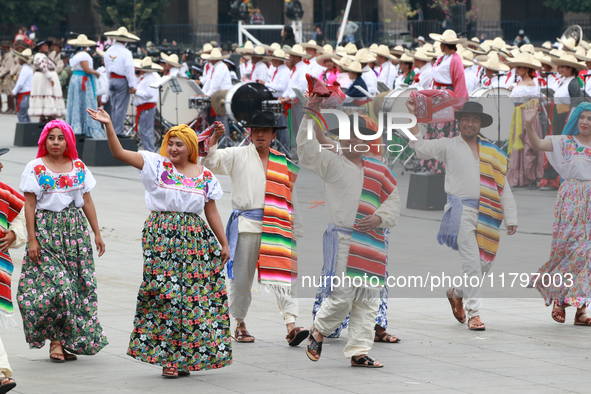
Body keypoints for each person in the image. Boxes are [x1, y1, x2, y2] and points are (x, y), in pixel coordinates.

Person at [87, 108, 232, 377]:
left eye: (179, 144)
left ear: (190, 147)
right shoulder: (156, 164)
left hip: (194, 240)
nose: (174, 148)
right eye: (171, 143)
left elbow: (211, 210)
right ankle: (168, 357)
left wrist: (223, 242)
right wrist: (109, 125)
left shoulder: (205, 175)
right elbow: (119, 153)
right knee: (165, 296)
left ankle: (185, 357)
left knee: (192, 299)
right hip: (161, 236)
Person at [297, 110, 400, 368]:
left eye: (357, 136)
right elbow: (307, 150)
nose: (350, 140)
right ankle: (318, 330)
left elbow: (393, 202)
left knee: (368, 298)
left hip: (373, 242)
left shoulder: (379, 170)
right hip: (343, 240)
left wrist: (379, 219)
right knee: (342, 294)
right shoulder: (332, 163)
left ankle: (358, 351)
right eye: (346, 135)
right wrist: (309, 116)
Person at [407, 99, 518, 330]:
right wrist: (412, 116)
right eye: (466, 119)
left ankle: (456, 293)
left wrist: (511, 216)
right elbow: (420, 148)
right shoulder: (449, 145)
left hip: (489, 212)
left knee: (483, 263)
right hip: (460, 211)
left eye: (474, 120)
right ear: (459, 122)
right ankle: (474, 313)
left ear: (480, 124)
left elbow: (502, 186)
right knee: (472, 262)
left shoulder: (492, 151)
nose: (470, 124)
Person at [203, 110, 307, 346]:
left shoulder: (282, 161)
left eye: (265, 131)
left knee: (284, 277)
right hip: (246, 225)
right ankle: (238, 322)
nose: (260, 134)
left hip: (277, 225)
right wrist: (214, 139)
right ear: (250, 133)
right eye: (256, 130)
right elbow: (210, 162)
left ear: (273, 135)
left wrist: (295, 227)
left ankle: (291, 325)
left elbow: (291, 196)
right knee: (241, 279)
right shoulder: (238, 154)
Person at [18, 120, 108, 362]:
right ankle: (55, 341)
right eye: (51, 138)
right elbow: (29, 205)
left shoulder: (78, 167)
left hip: (75, 233)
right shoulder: (35, 167)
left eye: (60, 138)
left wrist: (96, 233)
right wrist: (32, 239)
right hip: (46, 233)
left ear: (68, 140)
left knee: (77, 288)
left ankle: (65, 340)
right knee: (60, 289)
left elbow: (86, 201)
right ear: (44, 141)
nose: (56, 142)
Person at [523, 101, 591, 325]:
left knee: (588, 255)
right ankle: (560, 299)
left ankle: (580, 309)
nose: (585, 122)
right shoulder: (566, 142)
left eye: (590, 119)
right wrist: (529, 126)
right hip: (571, 200)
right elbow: (538, 145)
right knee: (570, 251)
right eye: (582, 117)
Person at [420, 30, 468, 174]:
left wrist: (457, 104)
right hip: (437, 97)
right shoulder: (442, 58)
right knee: (435, 130)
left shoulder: (455, 59)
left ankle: (444, 165)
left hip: (446, 98)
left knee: (443, 131)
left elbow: (459, 82)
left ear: (443, 45)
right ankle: (434, 163)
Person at [0, 147, 26, 394]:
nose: (0, 166)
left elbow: (21, 215)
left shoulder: (4, 192)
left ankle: (2, 374)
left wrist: (13, 233)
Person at [540, 53, 585, 190]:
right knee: (556, 144)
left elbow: (576, 102)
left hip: (566, 116)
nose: (560, 69)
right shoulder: (562, 81)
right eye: (559, 67)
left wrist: (570, 119)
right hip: (557, 115)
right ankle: (553, 177)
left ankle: (559, 178)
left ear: (571, 68)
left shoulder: (574, 82)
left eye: (564, 67)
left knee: (562, 145)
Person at [506, 53, 543, 188]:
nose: (517, 69)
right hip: (519, 114)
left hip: (526, 114)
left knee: (528, 145)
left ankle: (529, 175)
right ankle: (520, 177)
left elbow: (534, 101)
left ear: (527, 69)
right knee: (519, 144)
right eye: (517, 67)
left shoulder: (531, 84)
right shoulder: (521, 82)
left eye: (520, 67)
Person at [65, 35, 104, 139]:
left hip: (76, 78)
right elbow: (87, 69)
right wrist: (95, 72)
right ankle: (85, 126)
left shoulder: (75, 54)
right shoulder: (83, 55)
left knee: (76, 103)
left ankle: (76, 125)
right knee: (86, 102)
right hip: (83, 79)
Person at [103, 27, 140, 136]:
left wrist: (109, 80)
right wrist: (132, 85)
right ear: (125, 40)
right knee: (121, 107)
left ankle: (112, 130)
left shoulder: (108, 51)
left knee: (114, 106)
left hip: (112, 79)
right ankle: (118, 131)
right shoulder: (126, 52)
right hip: (122, 80)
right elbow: (129, 69)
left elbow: (107, 66)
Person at [29, 39, 66, 122]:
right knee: (46, 94)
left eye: (47, 46)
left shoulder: (42, 55)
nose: (46, 47)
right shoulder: (40, 55)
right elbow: (43, 67)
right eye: (44, 46)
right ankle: (47, 115)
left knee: (43, 94)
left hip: (43, 77)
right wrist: (50, 77)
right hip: (44, 77)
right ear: (39, 47)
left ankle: (43, 116)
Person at [133, 57, 162, 152]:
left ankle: (150, 152)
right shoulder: (148, 77)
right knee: (145, 131)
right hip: (145, 107)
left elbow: (149, 94)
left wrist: (136, 91)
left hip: (146, 107)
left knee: (146, 132)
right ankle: (149, 152)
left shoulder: (149, 78)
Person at [11, 48, 33, 123]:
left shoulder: (25, 69)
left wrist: (14, 92)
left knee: (22, 115)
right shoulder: (27, 68)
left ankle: (25, 133)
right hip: (27, 94)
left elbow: (20, 83)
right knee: (26, 115)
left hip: (24, 95)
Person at [0, 40, 17, 114]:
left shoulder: (9, 56)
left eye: (3, 46)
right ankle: (9, 108)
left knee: (9, 91)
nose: (2, 47)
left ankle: (11, 108)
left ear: (6, 47)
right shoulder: (6, 54)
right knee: (7, 91)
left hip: (8, 75)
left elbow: (7, 68)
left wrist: (1, 74)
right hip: (5, 75)